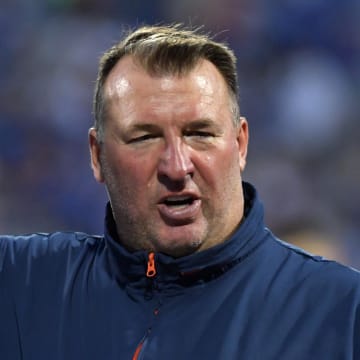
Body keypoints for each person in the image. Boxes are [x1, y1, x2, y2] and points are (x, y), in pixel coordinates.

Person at [0, 24, 359, 360]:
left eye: (200, 133)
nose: (177, 166)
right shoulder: (24, 287)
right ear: (97, 155)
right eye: (144, 138)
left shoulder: (342, 312)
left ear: (240, 144)